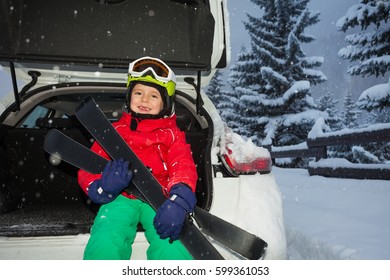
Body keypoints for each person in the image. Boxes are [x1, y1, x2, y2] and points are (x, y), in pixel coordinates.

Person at [77, 56, 198, 260]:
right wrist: (103, 187)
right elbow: (88, 168)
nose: (144, 100)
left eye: (153, 96)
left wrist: (179, 200)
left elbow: (183, 167)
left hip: (160, 198)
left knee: (171, 242)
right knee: (105, 240)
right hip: (121, 197)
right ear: (129, 96)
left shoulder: (172, 135)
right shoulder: (112, 132)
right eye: (138, 92)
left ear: (165, 103)